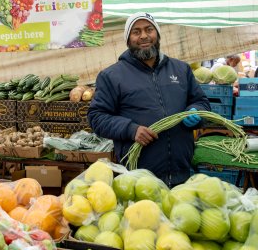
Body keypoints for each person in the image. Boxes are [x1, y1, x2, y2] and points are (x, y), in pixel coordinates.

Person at [87, 12, 211, 187]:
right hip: (138, 178)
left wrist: (196, 112)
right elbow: (97, 117)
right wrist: (131, 129)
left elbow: (202, 102)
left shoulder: (181, 69)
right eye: (136, 32)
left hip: (181, 173)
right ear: (128, 39)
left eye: (149, 29)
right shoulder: (112, 76)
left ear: (157, 35)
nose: (144, 36)